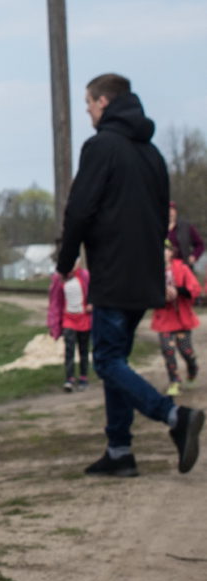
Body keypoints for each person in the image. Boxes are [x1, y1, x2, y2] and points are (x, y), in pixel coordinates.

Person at [56, 72, 204, 477]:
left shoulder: (100, 146)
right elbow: (161, 218)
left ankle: (174, 416)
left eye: (88, 102)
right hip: (144, 276)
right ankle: (120, 451)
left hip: (113, 273)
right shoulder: (152, 154)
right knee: (115, 357)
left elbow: (80, 209)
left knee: (105, 360)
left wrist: (66, 259)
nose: (86, 109)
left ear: (103, 102)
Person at [152, 243, 200, 396]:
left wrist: (177, 290)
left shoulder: (182, 268)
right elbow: (146, 294)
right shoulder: (151, 271)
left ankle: (193, 369)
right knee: (168, 350)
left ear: (171, 252)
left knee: (186, 351)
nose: (162, 253)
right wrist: (161, 295)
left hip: (182, 319)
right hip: (164, 319)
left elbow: (194, 289)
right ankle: (174, 380)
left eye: (165, 249)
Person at [48, 248, 93, 392]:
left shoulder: (85, 276)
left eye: (75, 261)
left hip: (83, 318)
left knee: (83, 349)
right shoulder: (59, 278)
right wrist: (54, 322)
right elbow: (55, 301)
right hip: (68, 319)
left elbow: (93, 291)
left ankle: (84, 377)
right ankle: (69, 378)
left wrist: (91, 305)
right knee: (69, 349)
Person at [167, 201, 204, 270]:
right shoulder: (157, 228)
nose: (169, 212)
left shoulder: (186, 227)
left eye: (171, 209)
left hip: (183, 267)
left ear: (175, 211)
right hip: (164, 269)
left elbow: (200, 244)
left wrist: (194, 256)